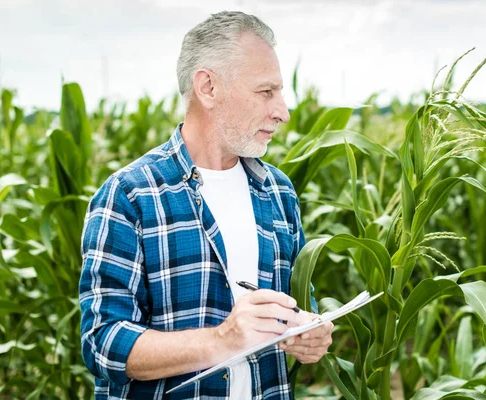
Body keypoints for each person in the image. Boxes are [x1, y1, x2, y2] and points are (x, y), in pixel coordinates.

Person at [79, 10, 333, 399]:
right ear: (208, 87)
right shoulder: (130, 195)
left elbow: (300, 305)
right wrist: (221, 340)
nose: (282, 111)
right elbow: (103, 344)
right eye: (266, 92)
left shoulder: (278, 192)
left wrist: (309, 332)